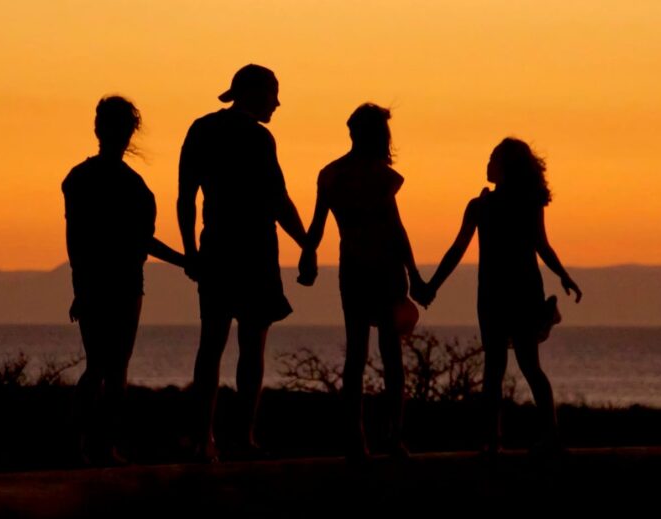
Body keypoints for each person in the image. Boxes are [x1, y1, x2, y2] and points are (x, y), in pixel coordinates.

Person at [178, 64, 310, 461]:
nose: (278, 102)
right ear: (254, 94)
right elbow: (279, 200)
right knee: (251, 348)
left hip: (216, 249)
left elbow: (186, 199)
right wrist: (307, 243)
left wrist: (190, 251)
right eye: (273, 94)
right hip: (253, 253)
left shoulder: (201, 129)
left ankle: (206, 439)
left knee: (211, 346)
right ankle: (241, 436)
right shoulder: (258, 138)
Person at [424, 137, 582, 455]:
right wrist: (433, 285)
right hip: (511, 292)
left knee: (502, 367)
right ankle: (524, 436)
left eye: (493, 158)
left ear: (505, 167)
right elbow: (540, 245)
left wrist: (564, 274)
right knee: (519, 366)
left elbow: (539, 245)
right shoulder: (491, 205)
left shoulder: (488, 206)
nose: (487, 163)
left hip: (504, 293)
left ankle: (500, 440)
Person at [62, 96, 185, 465]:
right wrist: (186, 261)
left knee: (103, 365)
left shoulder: (84, 179)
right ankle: (97, 445)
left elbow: (78, 241)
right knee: (111, 367)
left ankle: (93, 445)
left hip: (109, 283)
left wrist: (80, 288)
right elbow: (134, 241)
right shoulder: (129, 186)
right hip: (118, 284)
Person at [299, 103, 425, 460]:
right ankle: (390, 437)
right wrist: (414, 274)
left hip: (354, 268)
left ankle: (359, 438)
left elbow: (318, 225)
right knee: (389, 355)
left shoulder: (333, 174)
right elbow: (395, 230)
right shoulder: (379, 176)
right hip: (382, 270)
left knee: (358, 353)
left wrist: (309, 257)